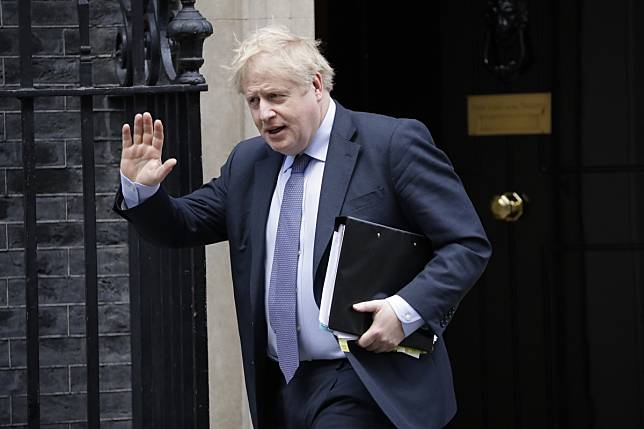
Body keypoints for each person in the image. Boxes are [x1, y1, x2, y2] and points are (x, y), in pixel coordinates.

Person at [114, 25, 491, 429]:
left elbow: (466, 245)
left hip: (366, 378)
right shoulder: (249, 163)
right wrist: (142, 190)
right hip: (283, 385)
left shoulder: (392, 144)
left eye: (275, 96)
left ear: (315, 85)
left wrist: (404, 311)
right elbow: (182, 225)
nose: (263, 113)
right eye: (253, 100)